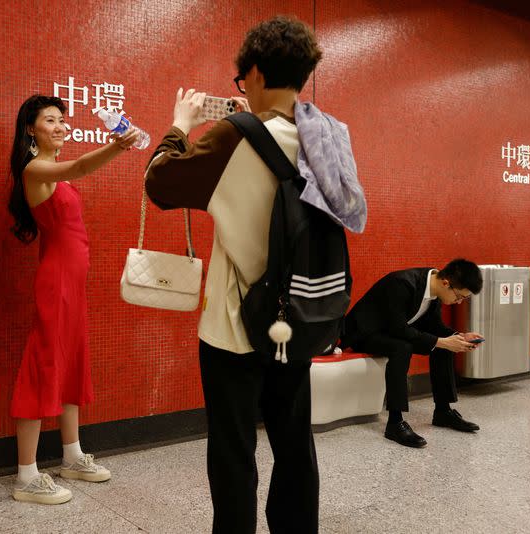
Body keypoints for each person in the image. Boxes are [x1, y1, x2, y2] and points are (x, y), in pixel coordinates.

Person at [144, 16, 344, 534]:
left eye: (243, 80)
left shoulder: (234, 137)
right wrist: (248, 123)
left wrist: (181, 125)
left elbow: (160, 184)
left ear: (253, 73)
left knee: (234, 452)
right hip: (300, 312)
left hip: (236, 326)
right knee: (295, 445)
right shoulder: (327, 134)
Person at [6, 95, 138, 504]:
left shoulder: (53, 175)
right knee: (44, 363)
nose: (61, 125)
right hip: (56, 283)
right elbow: (80, 165)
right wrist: (117, 146)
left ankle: (71, 456)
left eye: (63, 119)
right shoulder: (35, 169)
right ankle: (26, 477)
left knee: (71, 363)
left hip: (72, 284)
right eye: (51, 120)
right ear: (31, 129)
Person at [339, 259, 484, 448]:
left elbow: (434, 326)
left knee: (446, 343)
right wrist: (441, 341)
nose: (459, 302)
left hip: (391, 331)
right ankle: (395, 423)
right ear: (446, 283)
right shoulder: (402, 284)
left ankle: (443, 411)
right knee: (403, 347)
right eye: (459, 297)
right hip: (365, 332)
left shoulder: (434, 291)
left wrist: (458, 337)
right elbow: (397, 328)